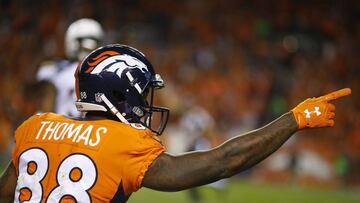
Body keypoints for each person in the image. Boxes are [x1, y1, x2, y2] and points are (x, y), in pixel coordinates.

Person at [0, 44, 351, 202]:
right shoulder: (122, 142)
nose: (145, 103)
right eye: (141, 93)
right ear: (120, 95)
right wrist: (294, 119)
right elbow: (223, 161)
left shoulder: (33, 127)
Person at [36, 18, 104, 116]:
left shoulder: (54, 69)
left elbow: (44, 108)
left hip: (60, 127)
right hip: (88, 129)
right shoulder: (104, 73)